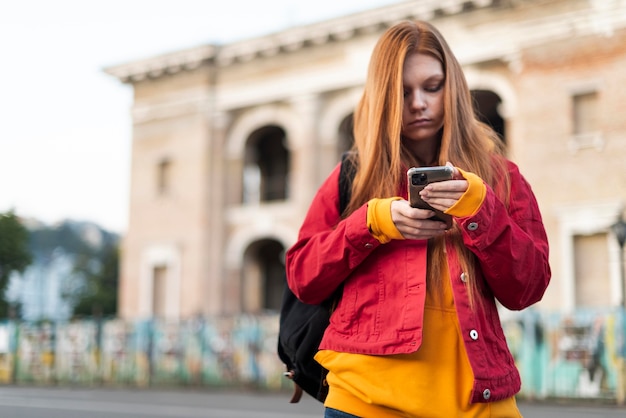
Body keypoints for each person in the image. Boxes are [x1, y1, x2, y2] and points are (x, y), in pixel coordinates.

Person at [285, 20, 551, 418]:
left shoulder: (500, 178)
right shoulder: (353, 175)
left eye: (432, 86)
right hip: (363, 400)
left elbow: (527, 288)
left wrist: (480, 207)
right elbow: (302, 276)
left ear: (454, 87)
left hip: (480, 403)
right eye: (402, 91)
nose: (418, 103)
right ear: (382, 96)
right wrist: (373, 223)